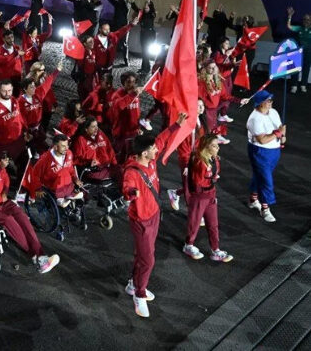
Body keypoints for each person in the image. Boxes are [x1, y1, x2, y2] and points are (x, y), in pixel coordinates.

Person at [122, 112, 186, 318]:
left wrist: (176, 125)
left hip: (154, 215)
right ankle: (139, 295)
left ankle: (133, 284)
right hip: (141, 220)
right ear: (143, 153)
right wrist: (132, 194)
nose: (157, 149)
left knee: (142, 256)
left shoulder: (150, 159)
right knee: (148, 260)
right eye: (153, 149)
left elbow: (161, 139)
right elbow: (127, 188)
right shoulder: (132, 172)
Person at [0, 142, 60, 273]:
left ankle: (41, 256)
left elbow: (6, 179)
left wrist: (5, 191)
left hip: (4, 202)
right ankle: (36, 256)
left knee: (23, 217)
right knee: (8, 220)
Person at [182, 134, 234, 263]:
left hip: (211, 194)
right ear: (206, 147)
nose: (218, 148)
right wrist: (211, 177)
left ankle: (215, 250)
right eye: (214, 146)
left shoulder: (214, 159)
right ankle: (188, 245)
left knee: (213, 224)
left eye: (217, 145)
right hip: (200, 197)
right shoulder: (199, 161)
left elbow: (213, 176)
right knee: (194, 223)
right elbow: (198, 181)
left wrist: (213, 178)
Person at [246, 90, 285, 223]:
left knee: (260, 176)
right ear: (260, 103)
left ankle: (253, 199)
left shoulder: (273, 112)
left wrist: (283, 136)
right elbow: (262, 140)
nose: (271, 103)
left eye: (271, 100)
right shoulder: (254, 119)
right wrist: (278, 133)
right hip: (260, 152)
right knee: (266, 181)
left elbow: (281, 127)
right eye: (268, 101)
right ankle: (265, 208)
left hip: (274, 151)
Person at [33, 134, 84, 208]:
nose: (66, 148)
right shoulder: (45, 160)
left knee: (65, 173)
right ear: (55, 147)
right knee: (62, 173)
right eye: (63, 146)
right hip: (51, 184)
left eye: (67, 145)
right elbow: (35, 174)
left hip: (66, 183)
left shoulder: (69, 153)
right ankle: (62, 198)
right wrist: (37, 189)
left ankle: (68, 195)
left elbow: (71, 169)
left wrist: (75, 179)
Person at [286, 7, 311, 93]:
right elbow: (289, 26)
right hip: (299, 52)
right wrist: (289, 16)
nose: (306, 21)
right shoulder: (300, 28)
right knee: (295, 68)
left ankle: (303, 85)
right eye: (304, 19)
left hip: (309, 53)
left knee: (306, 68)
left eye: (308, 19)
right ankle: (294, 86)